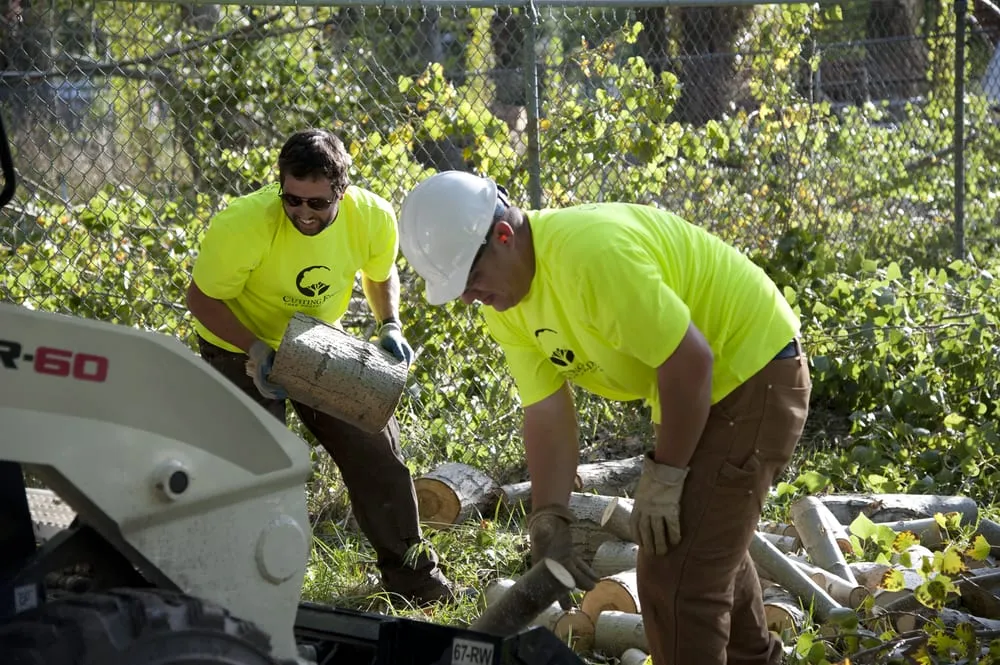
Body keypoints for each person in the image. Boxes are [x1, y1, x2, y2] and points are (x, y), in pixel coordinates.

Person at [396, 170, 812, 664]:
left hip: (753, 368)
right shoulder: (504, 302)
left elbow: (691, 361)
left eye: (470, 278)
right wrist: (549, 516)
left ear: (504, 236)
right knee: (700, 540)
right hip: (692, 384)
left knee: (673, 573)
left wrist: (666, 474)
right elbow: (546, 409)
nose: (469, 297)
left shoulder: (589, 256)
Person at [185, 128, 458, 606]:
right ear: (281, 187)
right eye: (293, 200)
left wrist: (390, 324)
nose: (303, 214)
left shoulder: (372, 216)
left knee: (376, 448)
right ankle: (242, 592)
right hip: (234, 345)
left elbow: (380, 273)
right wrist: (253, 348)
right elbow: (201, 299)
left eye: (317, 204)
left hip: (312, 340)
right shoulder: (244, 224)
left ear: (342, 191)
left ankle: (415, 581)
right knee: (260, 469)